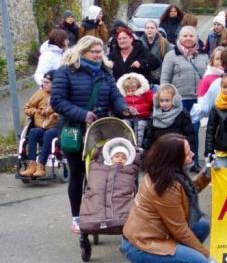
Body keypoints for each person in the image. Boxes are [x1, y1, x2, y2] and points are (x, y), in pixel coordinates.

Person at [121, 134, 217, 263]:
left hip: (156, 236)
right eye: (187, 153)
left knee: (201, 226)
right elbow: (179, 229)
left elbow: (188, 192)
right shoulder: (166, 187)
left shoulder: (169, 174)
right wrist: (207, 256)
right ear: (174, 158)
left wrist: (206, 175)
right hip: (143, 245)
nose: (193, 155)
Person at [51, 36, 132, 233]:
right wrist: (82, 114)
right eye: (94, 51)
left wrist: (124, 108)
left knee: (103, 174)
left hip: (101, 130)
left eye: (100, 51)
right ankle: (77, 217)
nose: (98, 55)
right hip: (75, 131)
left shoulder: (105, 72)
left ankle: (103, 214)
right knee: (77, 175)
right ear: (82, 51)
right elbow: (58, 101)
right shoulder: (66, 71)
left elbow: (115, 96)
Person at [160, 26, 208, 168]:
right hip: (179, 100)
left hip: (198, 100)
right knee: (178, 132)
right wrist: (164, 99)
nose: (188, 38)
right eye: (185, 36)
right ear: (179, 38)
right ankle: (175, 161)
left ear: (196, 38)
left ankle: (193, 161)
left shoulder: (203, 55)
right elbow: (164, 79)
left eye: (191, 36)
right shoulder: (171, 56)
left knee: (194, 130)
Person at [19, 71, 60, 178]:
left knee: (49, 134)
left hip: (56, 127)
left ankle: (41, 165)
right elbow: (27, 108)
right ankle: (31, 165)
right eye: (43, 82)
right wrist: (36, 111)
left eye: (47, 82)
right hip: (41, 126)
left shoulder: (60, 95)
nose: (43, 84)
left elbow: (66, 110)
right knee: (33, 132)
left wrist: (56, 114)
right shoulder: (40, 93)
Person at [143, 84, 196, 156]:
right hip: (159, 154)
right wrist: (146, 155)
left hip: (177, 154)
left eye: (167, 100)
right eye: (161, 101)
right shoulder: (154, 116)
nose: (164, 104)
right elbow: (149, 138)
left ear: (175, 100)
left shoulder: (183, 115)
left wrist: (189, 154)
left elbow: (190, 137)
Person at [204, 72, 227, 169]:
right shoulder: (216, 106)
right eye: (224, 87)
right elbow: (210, 130)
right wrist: (209, 150)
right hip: (222, 150)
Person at [117, 73, 154, 147]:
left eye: (133, 90)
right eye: (128, 91)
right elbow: (119, 105)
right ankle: (127, 143)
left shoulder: (145, 94)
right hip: (128, 117)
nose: (130, 93)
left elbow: (153, 99)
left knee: (140, 126)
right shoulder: (123, 97)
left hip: (142, 117)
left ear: (138, 88)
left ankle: (139, 145)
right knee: (124, 124)